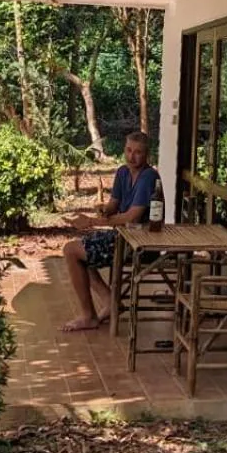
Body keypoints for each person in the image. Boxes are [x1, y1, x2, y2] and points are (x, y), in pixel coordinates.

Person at [59, 131, 159, 332]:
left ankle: (90, 315)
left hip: (138, 243)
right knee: (79, 252)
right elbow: (115, 204)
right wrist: (105, 209)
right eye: (129, 150)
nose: (132, 156)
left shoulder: (149, 176)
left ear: (146, 154)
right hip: (122, 236)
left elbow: (132, 217)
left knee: (72, 251)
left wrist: (92, 221)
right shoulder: (123, 172)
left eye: (138, 152)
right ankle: (110, 301)